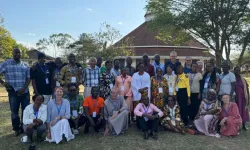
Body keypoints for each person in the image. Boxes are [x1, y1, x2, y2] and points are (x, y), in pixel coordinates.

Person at [0, 48, 31, 136]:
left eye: (19, 53)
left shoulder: (25, 65)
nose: (17, 54)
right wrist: (3, 83)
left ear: (21, 54)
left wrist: (24, 88)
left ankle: (23, 127)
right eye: (15, 52)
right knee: (14, 112)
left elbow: (29, 78)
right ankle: (16, 129)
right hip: (13, 92)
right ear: (12, 53)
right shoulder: (6, 64)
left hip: (24, 93)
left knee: (26, 111)